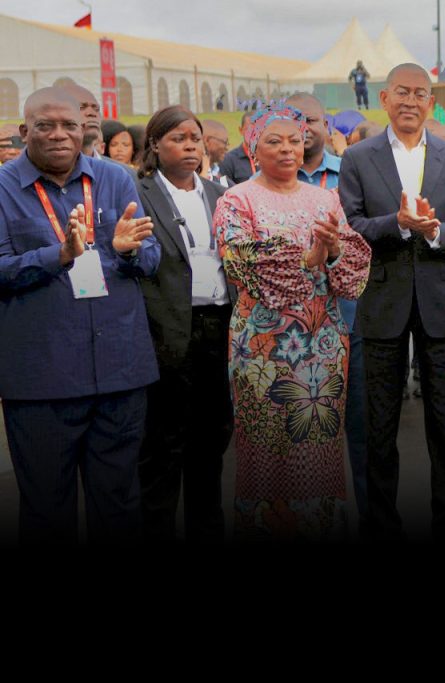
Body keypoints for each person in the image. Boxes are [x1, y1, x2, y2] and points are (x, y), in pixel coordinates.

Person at [0, 87, 161, 544]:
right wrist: (59, 255)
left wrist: (127, 252)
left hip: (120, 372)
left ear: (84, 128)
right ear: (24, 130)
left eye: (69, 125)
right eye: (45, 126)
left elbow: (152, 259)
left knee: (120, 506)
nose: (58, 135)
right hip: (42, 381)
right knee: (47, 510)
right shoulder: (3, 188)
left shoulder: (115, 179)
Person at [339, 63, 445, 542]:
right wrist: (398, 225)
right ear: (384, 99)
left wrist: (436, 231)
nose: (410, 101)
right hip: (382, 302)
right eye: (401, 92)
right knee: (379, 426)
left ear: (431, 104)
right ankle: (382, 524)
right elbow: (351, 227)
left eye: (420, 94)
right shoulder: (358, 158)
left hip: (439, 303)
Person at [213, 105, 371, 541]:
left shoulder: (325, 198)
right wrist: (307, 259)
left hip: (323, 344)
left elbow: (351, 270)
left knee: (319, 440)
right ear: (253, 148)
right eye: (274, 141)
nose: (287, 149)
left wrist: (332, 253)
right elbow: (239, 263)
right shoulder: (237, 199)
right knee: (267, 444)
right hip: (263, 347)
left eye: (295, 141)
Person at [134, 106, 233, 544]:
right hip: (166, 332)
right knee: (163, 444)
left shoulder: (220, 194)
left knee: (211, 441)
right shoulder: (138, 191)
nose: (190, 146)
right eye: (178, 138)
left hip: (218, 327)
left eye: (195, 137)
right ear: (155, 144)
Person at [286, 94, 342, 191]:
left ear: (325, 125)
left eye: (310, 120)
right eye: (295, 122)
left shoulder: (348, 171)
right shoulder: (265, 180)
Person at [61, 84, 106, 159]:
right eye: (81, 107)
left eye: (96, 109)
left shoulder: (117, 167)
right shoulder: (42, 165)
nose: (91, 113)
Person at [220, 112, 257, 186]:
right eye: (249, 130)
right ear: (241, 130)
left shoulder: (270, 158)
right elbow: (223, 188)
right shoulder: (228, 160)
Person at [202, 120, 230, 184]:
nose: (227, 148)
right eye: (224, 142)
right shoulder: (190, 177)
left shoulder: (220, 177)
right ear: (207, 141)